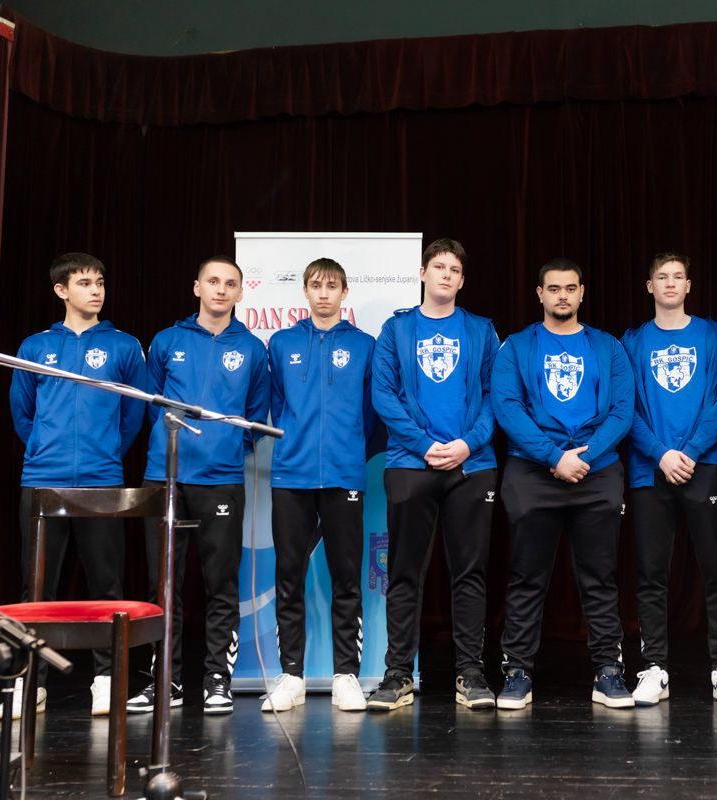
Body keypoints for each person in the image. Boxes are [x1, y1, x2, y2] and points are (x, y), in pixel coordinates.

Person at [6, 252, 146, 719]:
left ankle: (106, 680)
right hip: (42, 480)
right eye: (85, 282)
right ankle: (31, 682)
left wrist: (106, 452)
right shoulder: (35, 346)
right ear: (61, 290)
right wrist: (45, 450)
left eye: (100, 282)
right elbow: (23, 412)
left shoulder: (125, 346)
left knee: (107, 585)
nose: (96, 290)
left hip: (102, 480)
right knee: (36, 587)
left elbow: (133, 415)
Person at [128, 256, 270, 716]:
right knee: (163, 584)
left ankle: (216, 680)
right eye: (213, 281)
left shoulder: (252, 348)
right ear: (197, 287)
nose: (221, 289)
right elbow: (150, 403)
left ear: (240, 293)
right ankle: (164, 681)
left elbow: (255, 414)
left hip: (221, 480)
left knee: (220, 584)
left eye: (230, 283)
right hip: (164, 476)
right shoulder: (168, 340)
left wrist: (224, 447)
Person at [491, 257, 635, 709]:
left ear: (582, 292)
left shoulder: (608, 347)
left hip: (596, 470)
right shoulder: (516, 346)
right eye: (553, 289)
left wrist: (582, 459)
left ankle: (608, 671)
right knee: (527, 576)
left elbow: (622, 411)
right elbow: (507, 407)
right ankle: (517, 672)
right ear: (540, 294)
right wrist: (554, 457)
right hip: (533, 471)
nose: (562, 296)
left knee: (599, 577)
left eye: (570, 288)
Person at [366, 238, 500, 712]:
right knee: (404, 572)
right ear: (422, 273)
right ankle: (398, 675)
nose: (446, 274)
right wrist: (424, 444)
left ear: (462, 280)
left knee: (470, 574)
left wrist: (467, 444)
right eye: (438, 266)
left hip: (472, 465)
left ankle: (471, 674)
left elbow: (497, 395)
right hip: (410, 463)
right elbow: (383, 395)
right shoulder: (396, 329)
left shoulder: (482, 330)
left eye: (454, 269)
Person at [622, 252, 717, 707]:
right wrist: (661, 453)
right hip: (649, 468)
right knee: (652, 572)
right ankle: (654, 667)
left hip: (702, 464)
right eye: (662, 277)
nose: (670, 283)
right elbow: (625, 407)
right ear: (649, 286)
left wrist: (688, 452)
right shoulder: (632, 342)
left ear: (689, 285)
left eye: (678, 277)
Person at [261, 258, 376, 713]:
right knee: (289, 574)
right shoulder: (281, 343)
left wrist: (349, 447)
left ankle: (346, 675)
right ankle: (292, 675)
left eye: (332, 286)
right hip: (291, 474)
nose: (324, 294)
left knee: (346, 578)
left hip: (344, 474)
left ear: (345, 293)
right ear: (305, 292)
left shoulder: (364, 345)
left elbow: (372, 413)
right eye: (316, 286)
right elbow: (275, 404)